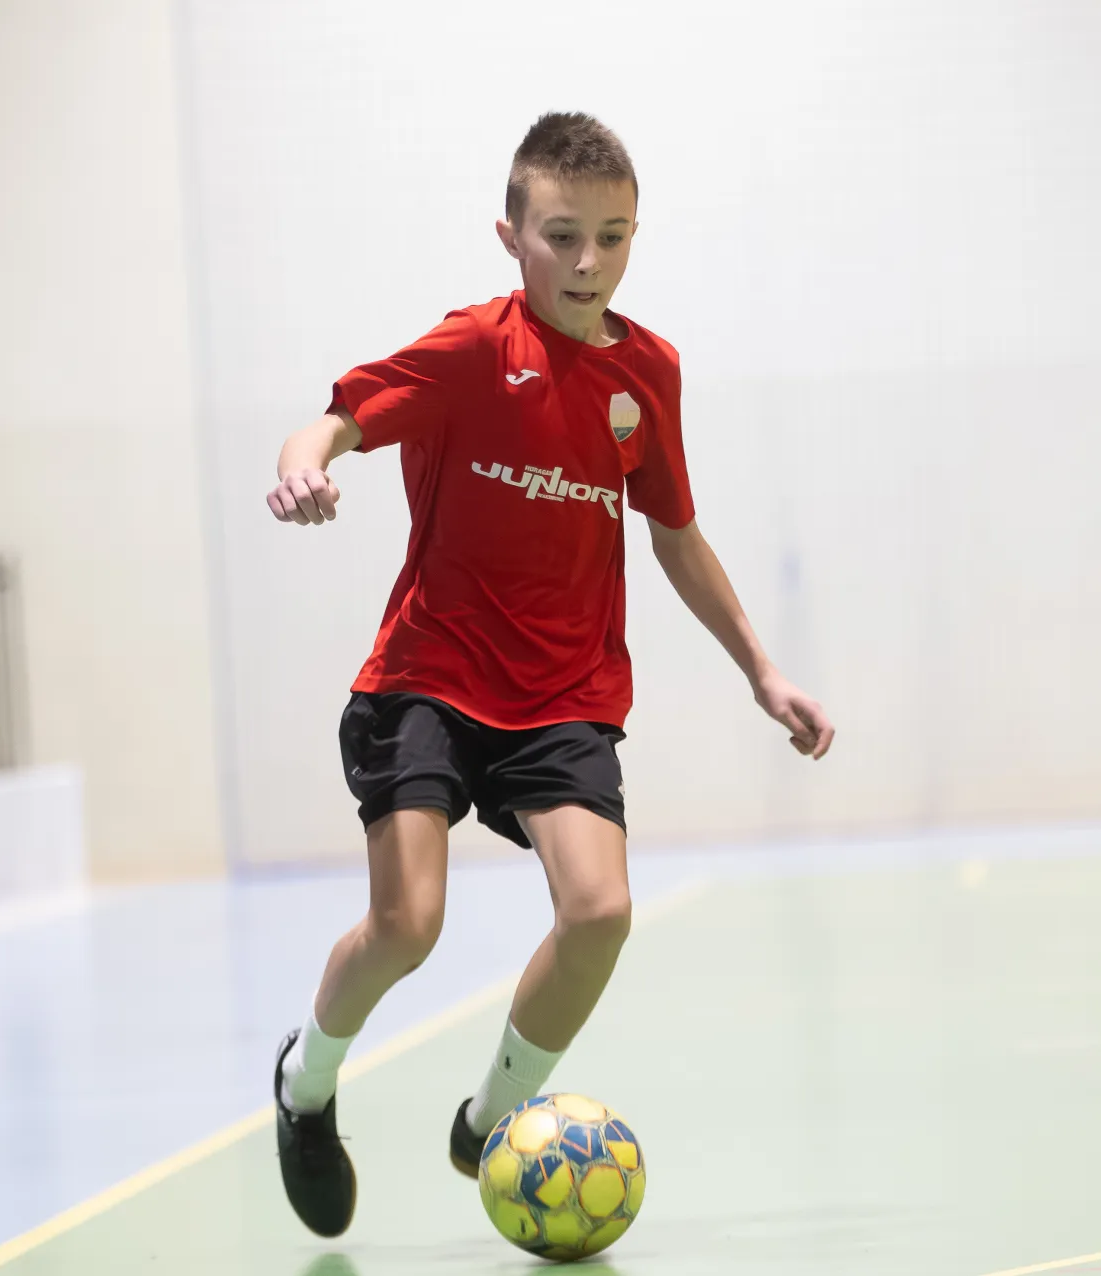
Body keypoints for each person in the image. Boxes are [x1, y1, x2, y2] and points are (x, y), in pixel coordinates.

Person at [266, 111, 835, 1238]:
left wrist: (761, 672)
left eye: (612, 238)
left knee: (600, 911)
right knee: (407, 924)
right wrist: (302, 471)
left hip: (565, 693)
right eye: (562, 236)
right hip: (429, 678)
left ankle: (491, 1117)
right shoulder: (472, 349)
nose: (587, 261)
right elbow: (330, 424)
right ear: (511, 237)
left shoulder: (648, 372)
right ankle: (305, 1083)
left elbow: (675, 533)